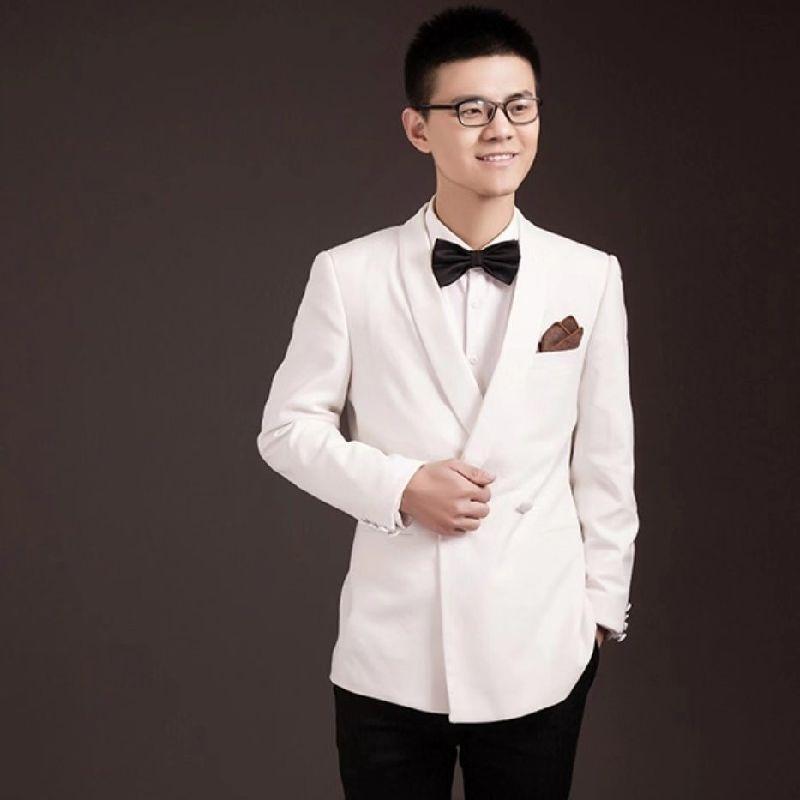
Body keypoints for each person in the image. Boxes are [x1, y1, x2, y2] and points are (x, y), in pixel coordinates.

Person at [256, 5, 639, 798]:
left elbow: (606, 458)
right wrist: (400, 486)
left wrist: (600, 611)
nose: (500, 129)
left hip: (540, 646)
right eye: (471, 109)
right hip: (392, 652)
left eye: (518, 106)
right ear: (418, 129)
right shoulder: (349, 273)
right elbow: (286, 429)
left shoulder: (590, 275)